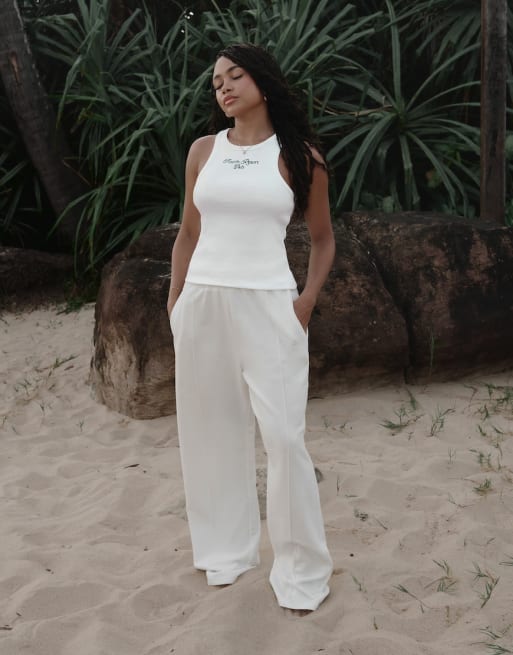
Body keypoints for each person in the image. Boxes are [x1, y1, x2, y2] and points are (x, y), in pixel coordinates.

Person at [167, 43, 334, 612]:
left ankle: (301, 571)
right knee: (210, 431)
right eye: (217, 82)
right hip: (203, 302)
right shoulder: (203, 151)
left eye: (235, 76)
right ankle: (226, 552)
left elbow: (322, 240)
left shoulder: (301, 157)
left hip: (270, 305)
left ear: (263, 80)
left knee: (284, 437)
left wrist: (305, 301)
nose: (225, 88)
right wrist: (176, 301)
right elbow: (188, 233)